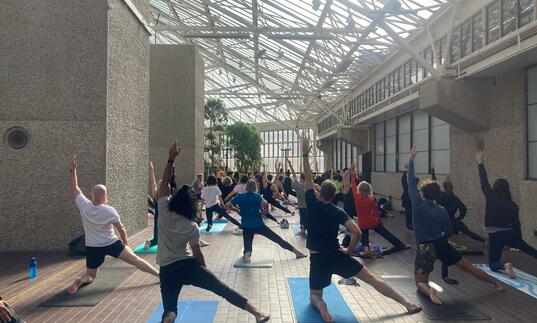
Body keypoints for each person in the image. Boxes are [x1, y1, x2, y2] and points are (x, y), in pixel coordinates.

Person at [302, 138, 421, 322]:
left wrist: (305, 155)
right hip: (336, 255)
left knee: (315, 296)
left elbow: (308, 178)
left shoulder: (311, 203)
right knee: (372, 279)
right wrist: (349, 250)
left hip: (317, 258)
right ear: (334, 195)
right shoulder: (338, 211)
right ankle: (407, 303)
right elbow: (356, 231)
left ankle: (322, 307)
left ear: (319, 193)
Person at [156, 140, 270, 323]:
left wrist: (170, 159)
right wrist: (204, 273)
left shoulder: (163, 212)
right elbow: (197, 253)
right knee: (222, 289)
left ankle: (168, 318)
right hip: (187, 266)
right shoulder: (191, 226)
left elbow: (163, 185)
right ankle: (257, 314)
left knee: (170, 309)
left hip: (167, 270)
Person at [408, 145, 503, 305]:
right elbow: (449, 231)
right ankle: (496, 284)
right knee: (470, 268)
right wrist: (441, 241)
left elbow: (411, 182)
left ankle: (429, 290)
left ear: (423, 193)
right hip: (441, 243)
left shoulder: (418, 204)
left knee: (420, 284)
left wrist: (411, 159)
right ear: (438, 195)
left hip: (425, 247)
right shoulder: (441, 210)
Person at [66, 155, 159, 295]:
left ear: (91, 195)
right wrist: (126, 243)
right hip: (111, 243)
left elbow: (75, 188)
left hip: (92, 246)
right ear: (105, 197)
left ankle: (80, 280)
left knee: (90, 275)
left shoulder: (84, 205)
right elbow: (120, 228)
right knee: (135, 260)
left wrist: (73, 170)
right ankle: (159, 275)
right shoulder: (109, 210)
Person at [476, 150, 537, 277]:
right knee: (529, 250)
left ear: (495, 188)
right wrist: (519, 240)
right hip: (510, 233)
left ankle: (505, 266)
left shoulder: (491, 196)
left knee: (493, 264)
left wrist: (480, 163)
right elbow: (517, 224)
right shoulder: (513, 205)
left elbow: (484, 182)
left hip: (495, 235)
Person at [226, 180, 307, 263]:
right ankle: (297, 253)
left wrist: (237, 210)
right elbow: (265, 203)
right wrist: (265, 211)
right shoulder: (257, 196)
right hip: (258, 225)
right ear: (255, 187)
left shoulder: (240, 196)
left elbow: (227, 205)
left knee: (247, 245)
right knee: (277, 239)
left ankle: (247, 256)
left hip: (246, 225)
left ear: (246, 187)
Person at [430, 168, 486, 284]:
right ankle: (484, 241)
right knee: (468, 232)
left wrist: (433, 172)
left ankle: (445, 275)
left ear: (444, 188)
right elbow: (463, 209)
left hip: (443, 222)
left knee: (443, 246)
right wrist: (458, 218)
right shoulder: (455, 198)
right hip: (453, 221)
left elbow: (434, 184)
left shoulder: (440, 196)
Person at [350, 169, 409, 255]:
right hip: (372, 221)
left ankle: (366, 249)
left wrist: (353, 175)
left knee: (364, 235)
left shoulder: (356, 198)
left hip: (362, 223)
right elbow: (376, 212)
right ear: (369, 190)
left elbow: (354, 187)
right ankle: (400, 245)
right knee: (386, 234)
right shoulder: (371, 200)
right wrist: (380, 223)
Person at [287, 159, 307, 235]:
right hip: (308, 206)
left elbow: (294, 175)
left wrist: (290, 164)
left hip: (301, 206)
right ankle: (305, 226)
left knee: (302, 218)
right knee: (307, 218)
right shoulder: (309, 186)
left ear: (301, 178)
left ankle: (303, 227)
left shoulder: (298, 186)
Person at [145, 161, 160, 250]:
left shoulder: (167, 196)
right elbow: (153, 183)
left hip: (165, 218)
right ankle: (149, 242)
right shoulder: (156, 195)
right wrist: (152, 170)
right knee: (156, 240)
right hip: (158, 219)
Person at [401, 162, 417, 230]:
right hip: (407, 197)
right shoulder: (405, 179)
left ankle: (410, 224)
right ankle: (409, 224)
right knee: (408, 211)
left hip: (408, 197)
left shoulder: (407, 179)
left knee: (409, 211)